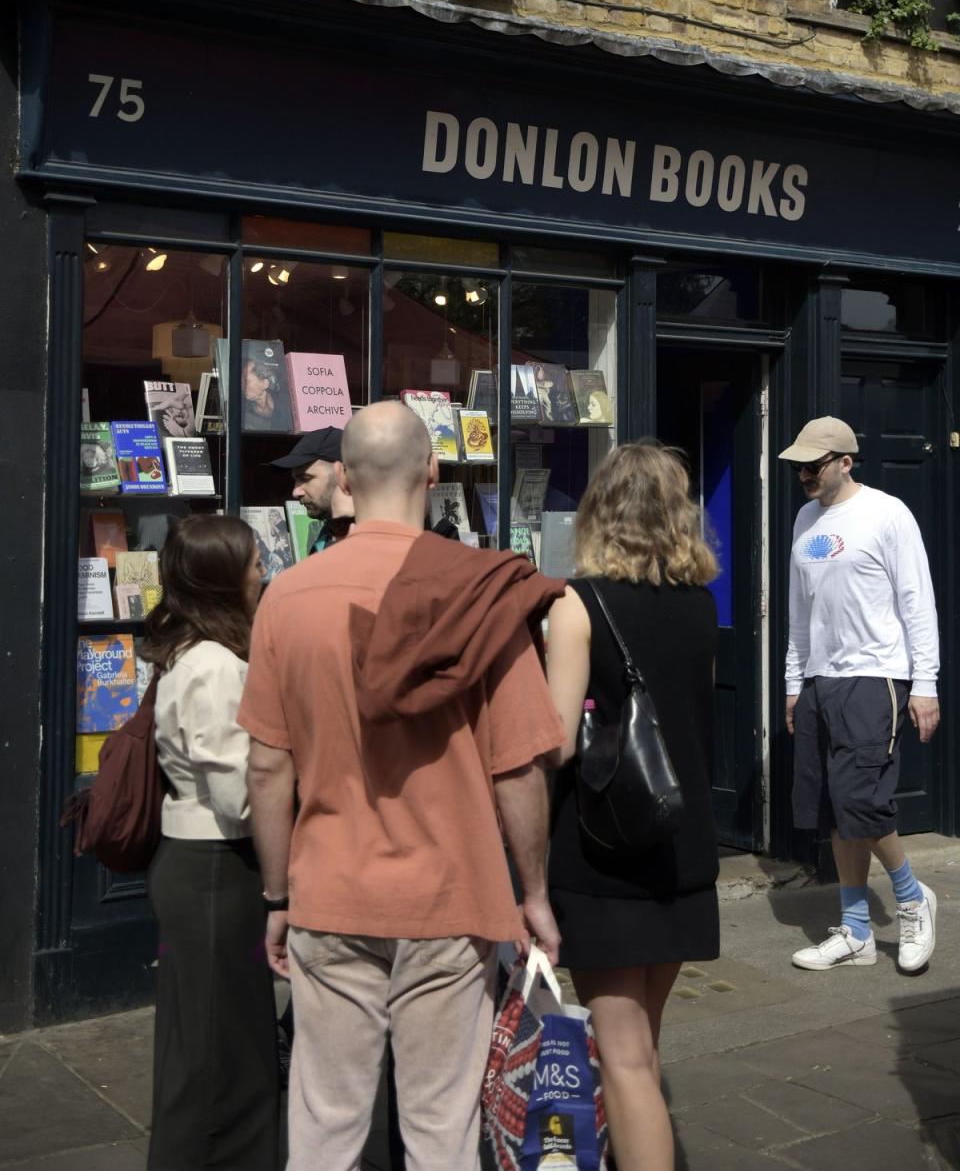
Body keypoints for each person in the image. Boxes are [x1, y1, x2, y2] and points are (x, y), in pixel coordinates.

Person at [238, 401, 565, 1171]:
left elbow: (266, 765)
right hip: (450, 901)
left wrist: (278, 896)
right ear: (434, 473)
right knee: (440, 1131)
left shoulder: (288, 596)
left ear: (345, 480)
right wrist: (537, 893)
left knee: (324, 1126)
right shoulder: (478, 594)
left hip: (329, 890)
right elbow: (518, 767)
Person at [546, 441, 720, 1171]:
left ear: (600, 513)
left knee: (622, 1061)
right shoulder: (701, 604)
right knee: (641, 1049)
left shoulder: (576, 604)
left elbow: (555, 742)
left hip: (605, 855)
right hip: (682, 847)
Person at [141, 515, 279, 1171]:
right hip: (216, 869)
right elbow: (242, 798)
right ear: (225, 577)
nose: (264, 570)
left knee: (208, 1051)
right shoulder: (216, 667)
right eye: (254, 561)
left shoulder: (192, 654)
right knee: (219, 1063)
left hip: (204, 869)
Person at [780, 416, 940, 973]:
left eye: (813, 465)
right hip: (822, 680)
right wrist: (794, 682)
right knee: (832, 808)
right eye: (798, 466)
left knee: (862, 802)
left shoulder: (887, 514)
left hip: (876, 676)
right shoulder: (804, 519)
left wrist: (926, 683)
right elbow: (800, 609)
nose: (803, 474)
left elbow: (918, 602)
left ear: (845, 462)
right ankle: (855, 931)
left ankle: (914, 897)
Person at [270, 426, 354, 549]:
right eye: (295, 480)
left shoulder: (377, 543)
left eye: (306, 478)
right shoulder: (327, 536)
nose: (296, 492)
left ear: (342, 474)